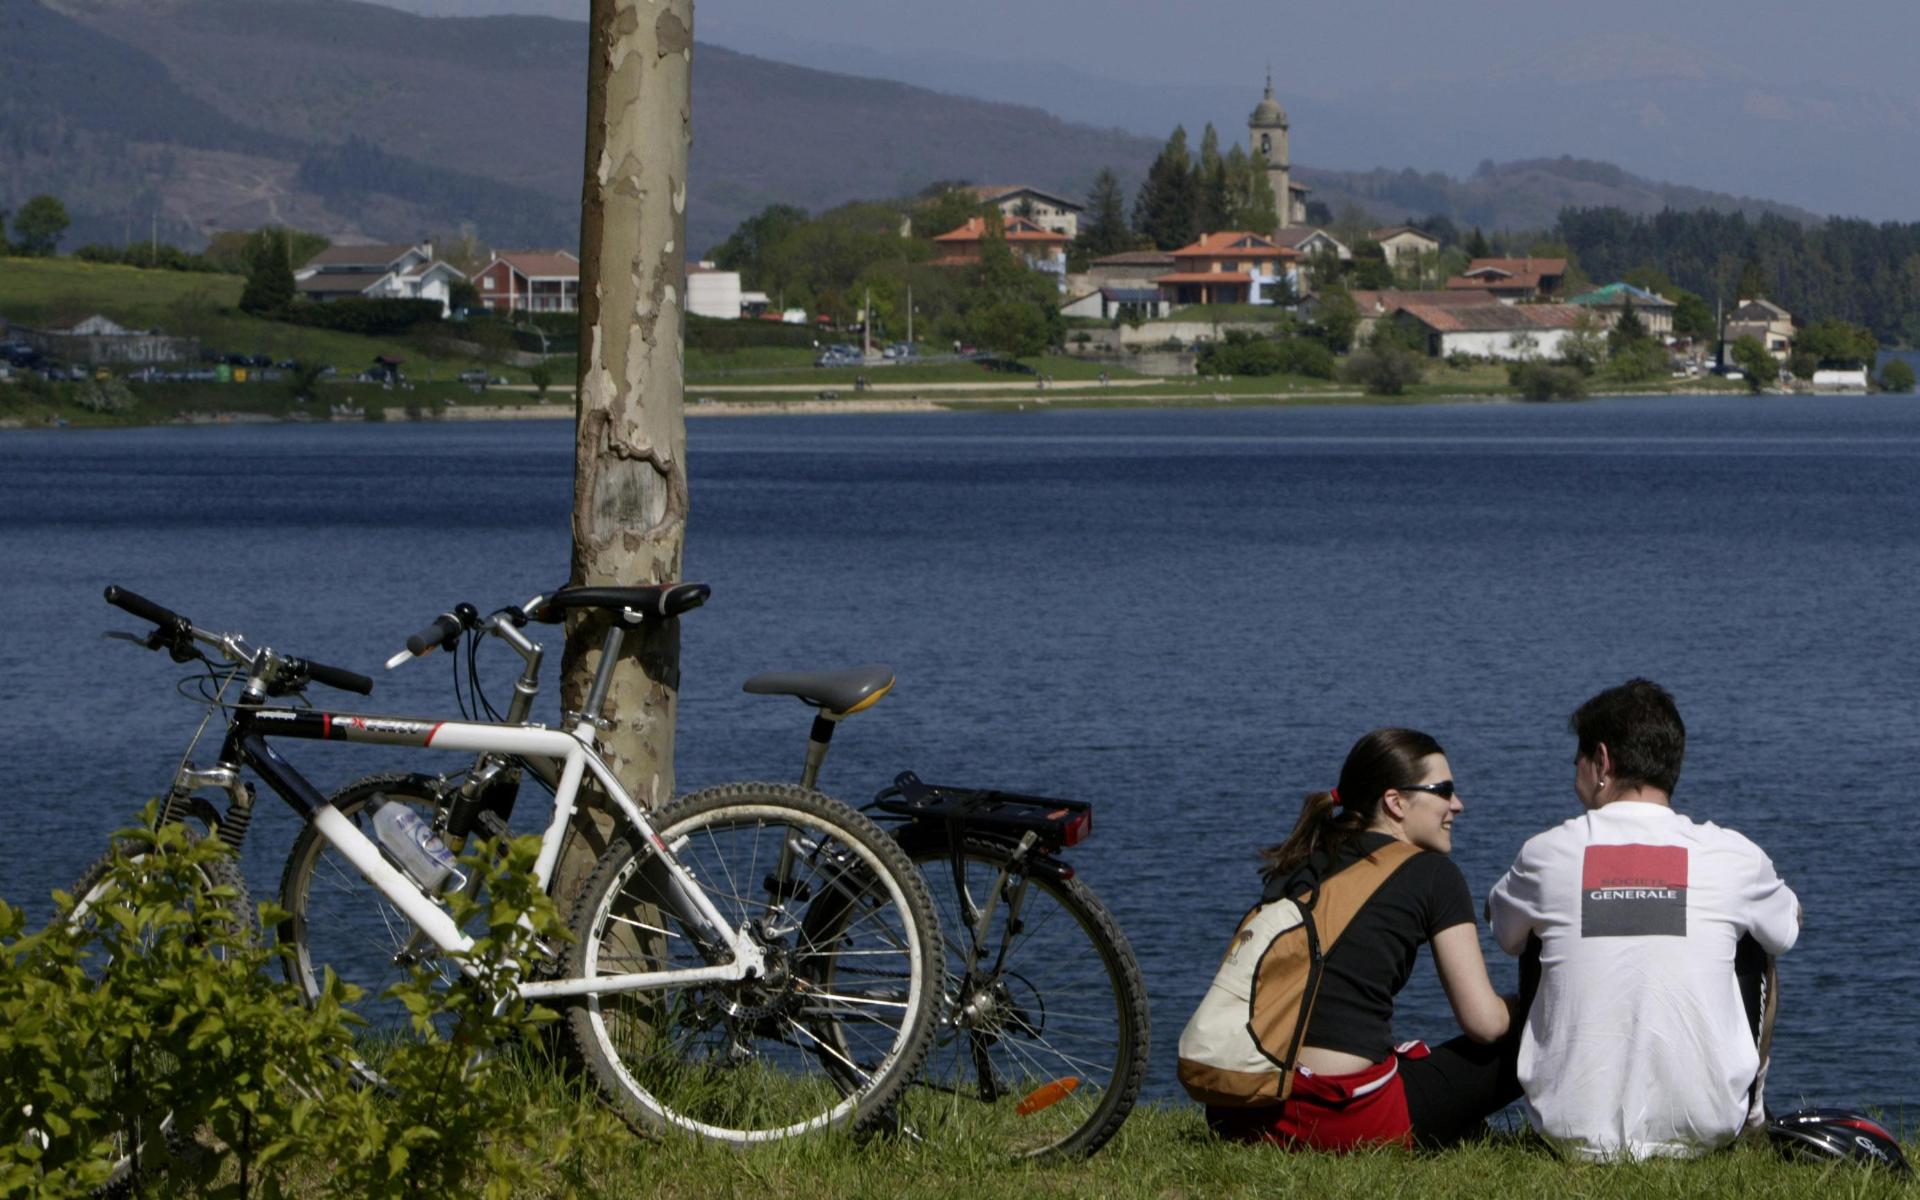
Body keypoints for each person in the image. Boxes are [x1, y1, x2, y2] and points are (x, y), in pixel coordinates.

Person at [1486, 679, 1801, 1161]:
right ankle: (1752, 1118)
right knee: (1757, 939)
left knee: (1532, 933)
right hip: (1707, 1130)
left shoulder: (1545, 853)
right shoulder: (1733, 854)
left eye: (1577, 760)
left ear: (1602, 763)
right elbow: (1788, 926)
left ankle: (1574, 1091)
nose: (1574, 772)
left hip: (1566, 1132)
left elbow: (1502, 929)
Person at [1206, 728, 1522, 1150]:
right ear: (1395, 802)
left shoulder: (1300, 863)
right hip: (1350, 1118)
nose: (1457, 805)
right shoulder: (1433, 875)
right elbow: (1485, 1024)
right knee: (1536, 1036)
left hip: (1246, 1112)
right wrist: (1530, 1006)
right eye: (1444, 791)